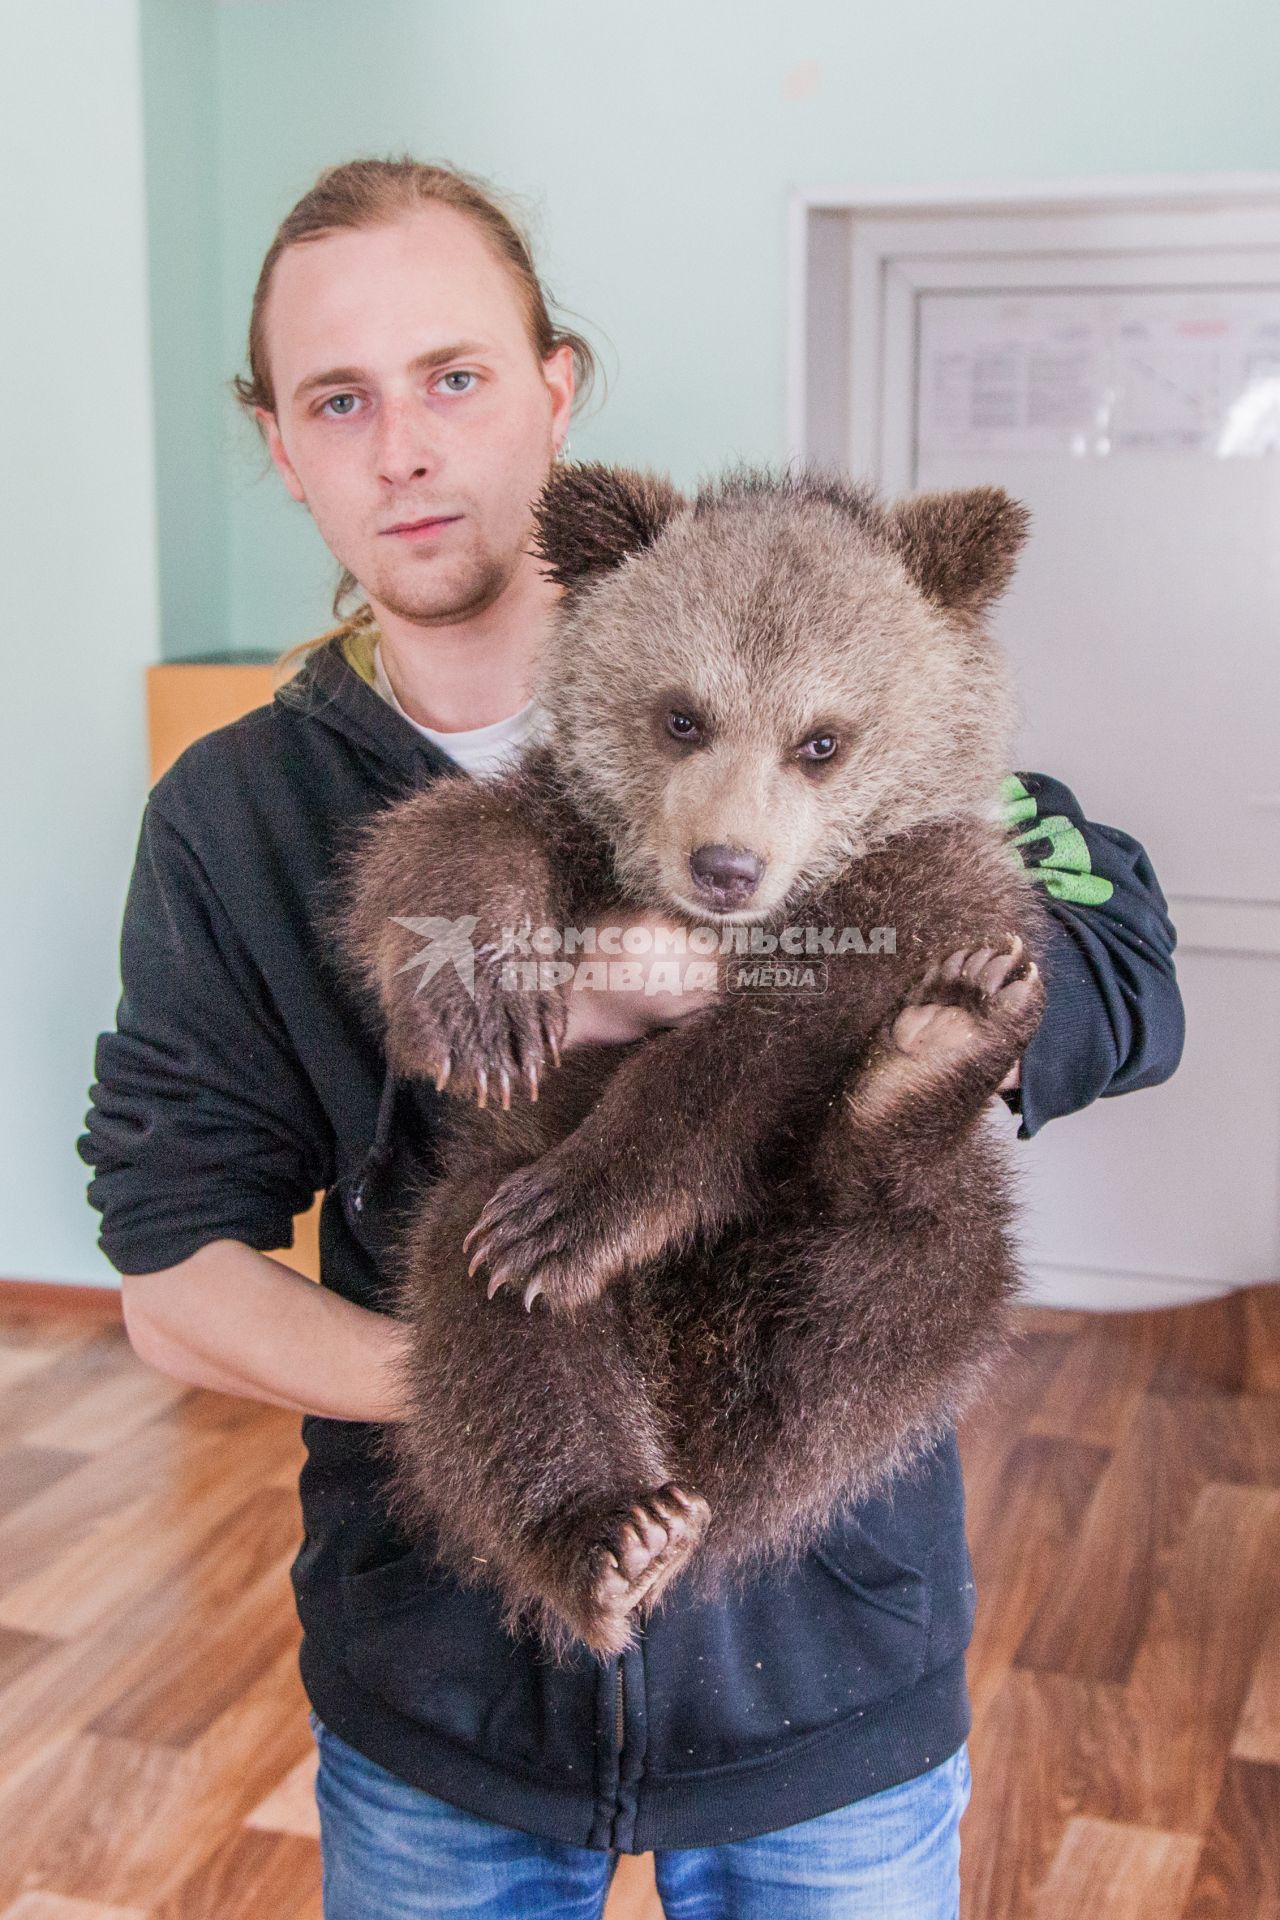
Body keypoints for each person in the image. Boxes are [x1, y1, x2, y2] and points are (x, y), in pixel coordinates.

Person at [78, 158, 1185, 1920]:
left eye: (453, 377)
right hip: (450, 1683)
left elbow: (1121, 960)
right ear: (281, 445)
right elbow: (168, 1274)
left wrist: (823, 1012)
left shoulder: (828, 661)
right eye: (337, 400)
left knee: (916, 1186)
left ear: (553, 392)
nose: (406, 448)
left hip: (826, 1680)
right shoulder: (238, 812)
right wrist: (510, 1404)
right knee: (484, 1239)